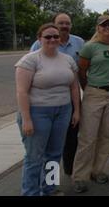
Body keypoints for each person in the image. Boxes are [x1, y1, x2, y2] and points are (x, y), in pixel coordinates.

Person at [16, 23, 80, 196]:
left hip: (63, 111)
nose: (52, 39)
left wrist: (76, 111)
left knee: (54, 154)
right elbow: (22, 92)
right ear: (39, 39)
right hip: (37, 113)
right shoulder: (30, 60)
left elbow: (74, 87)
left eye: (56, 36)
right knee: (34, 157)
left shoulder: (67, 59)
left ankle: (49, 189)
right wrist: (27, 119)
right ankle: (30, 192)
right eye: (48, 37)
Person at [72, 15, 109, 193]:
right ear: (98, 28)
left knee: (107, 135)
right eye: (104, 25)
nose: (107, 27)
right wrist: (89, 90)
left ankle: (98, 170)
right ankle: (80, 176)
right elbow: (82, 71)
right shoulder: (89, 47)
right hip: (94, 93)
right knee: (87, 138)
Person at [30, 13, 84, 176]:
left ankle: (60, 179)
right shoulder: (33, 53)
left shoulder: (78, 45)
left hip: (66, 105)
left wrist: (77, 109)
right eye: (60, 23)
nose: (64, 26)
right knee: (38, 153)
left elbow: (76, 82)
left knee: (66, 144)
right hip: (41, 109)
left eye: (67, 23)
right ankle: (34, 188)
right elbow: (22, 88)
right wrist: (26, 117)